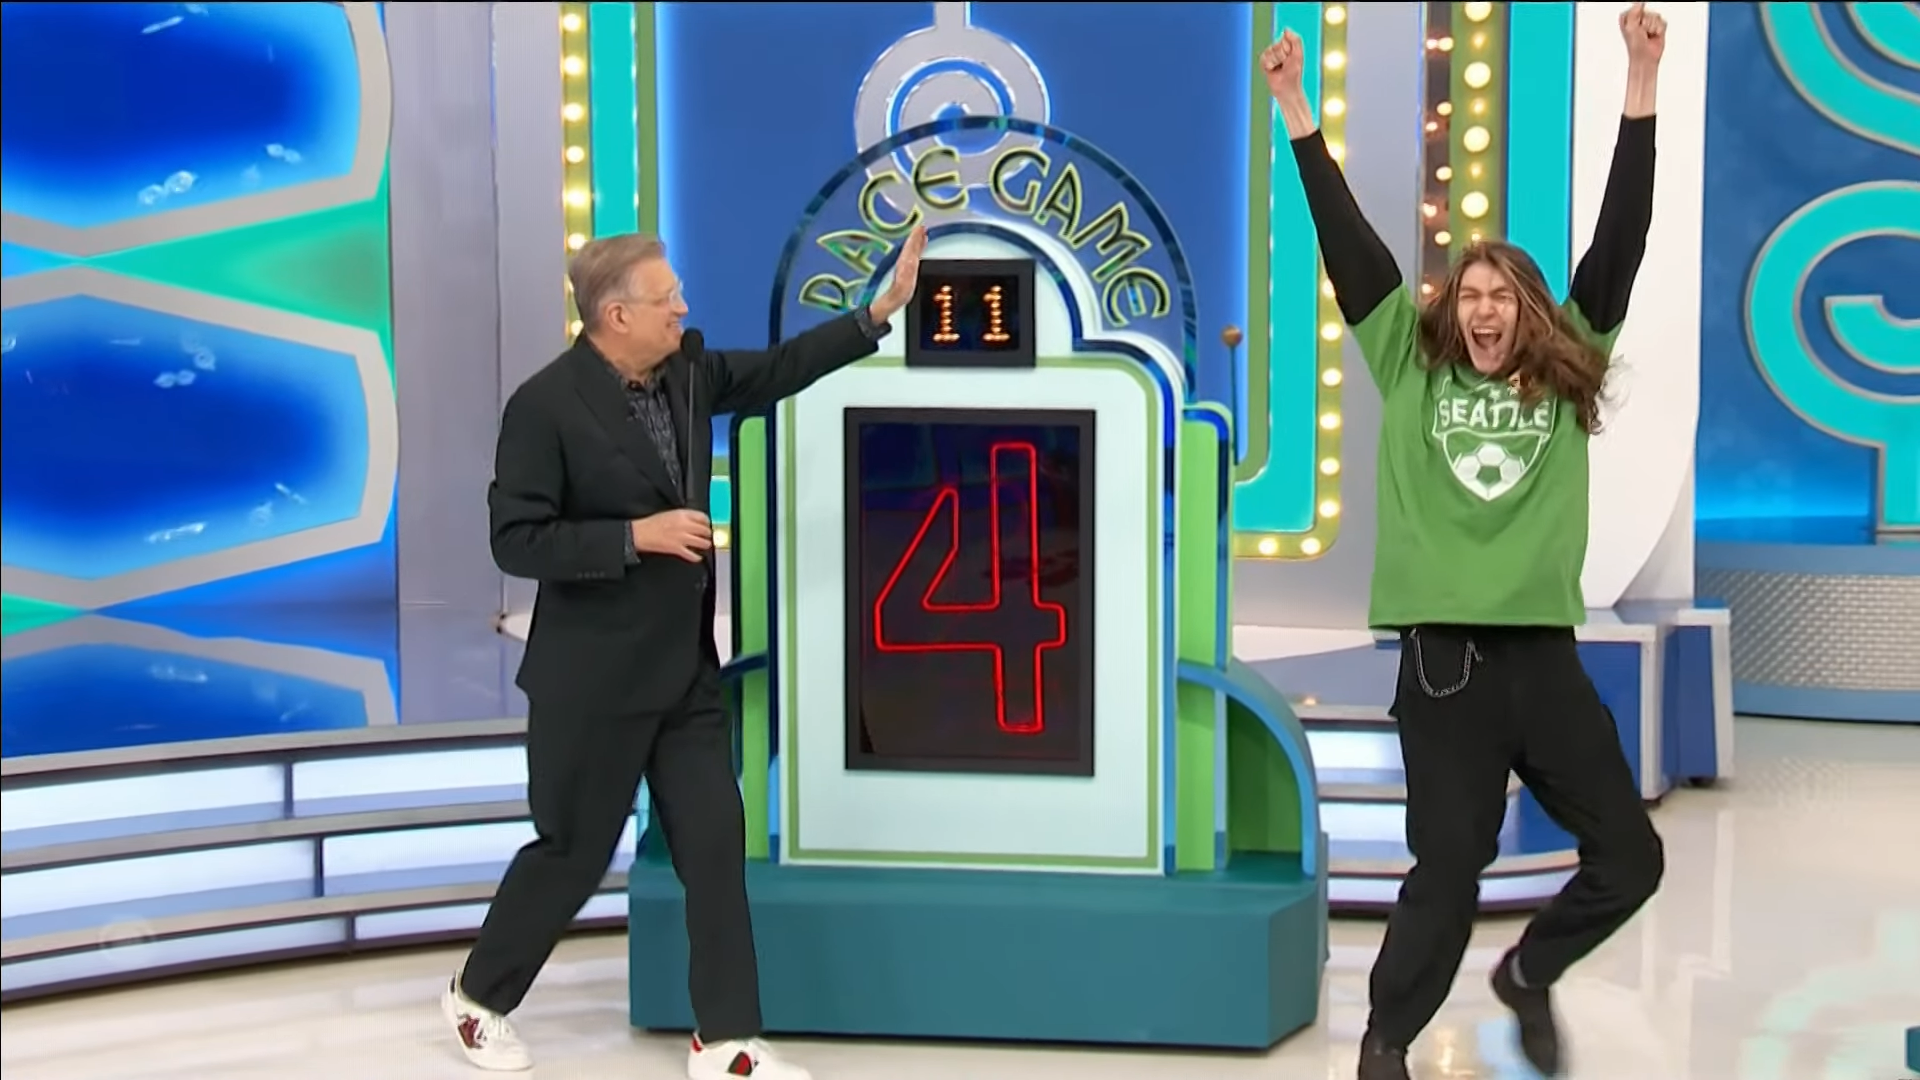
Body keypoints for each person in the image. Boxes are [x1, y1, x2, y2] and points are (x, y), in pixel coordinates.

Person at [1261, 5, 1667, 1079]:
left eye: (1502, 297)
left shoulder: (1571, 362)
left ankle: (1528, 975)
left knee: (1630, 858)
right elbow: (1347, 238)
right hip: (1444, 667)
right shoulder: (1410, 358)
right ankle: (1387, 1041)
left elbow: (1621, 234)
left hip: (1545, 657)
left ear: (1533, 311)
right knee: (1448, 863)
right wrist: (1299, 109)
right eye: (1470, 296)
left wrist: (1640, 83)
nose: (1482, 311)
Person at [445, 226, 928, 1078]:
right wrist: (634, 536)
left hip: (682, 675)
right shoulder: (544, 406)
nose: (684, 308)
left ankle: (728, 1038)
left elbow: (779, 370)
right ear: (615, 313)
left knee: (714, 845)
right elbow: (516, 540)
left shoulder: (691, 372)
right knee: (572, 852)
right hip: (590, 682)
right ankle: (478, 998)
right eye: (667, 297)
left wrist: (876, 314)